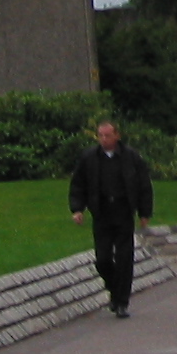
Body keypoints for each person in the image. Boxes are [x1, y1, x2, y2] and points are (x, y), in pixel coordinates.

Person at [69, 119, 153, 318]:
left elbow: (143, 185)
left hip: (123, 212)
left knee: (124, 258)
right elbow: (78, 184)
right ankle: (115, 289)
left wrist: (144, 212)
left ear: (117, 136)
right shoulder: (89, 158)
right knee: (103, 259)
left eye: (108, 135)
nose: (104, 139)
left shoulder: (131, 157)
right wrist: (77, 209)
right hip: (102, 213)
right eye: (101, 136)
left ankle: (121, 302)